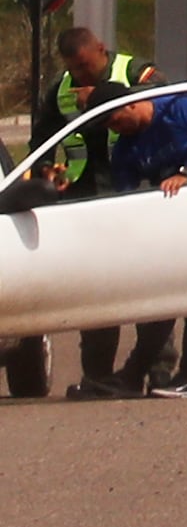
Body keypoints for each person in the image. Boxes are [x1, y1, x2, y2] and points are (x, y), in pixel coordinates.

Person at [8, 30, 137, 400]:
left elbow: (156, 113)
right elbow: (42, 139)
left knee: (146, 285)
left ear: (100, 49)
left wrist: (97, 97)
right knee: (95, 291)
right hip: (84, 202)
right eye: (74, 68)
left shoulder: (136, 73)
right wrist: (47, 169)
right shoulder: (61, 89)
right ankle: (98, 377)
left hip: (132, 194)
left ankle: (155, 370)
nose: (81, 75)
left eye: (86, 65)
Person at [95, 68, 187, 399]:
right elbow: (125, 196)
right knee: (164, 300)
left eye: (115, 120)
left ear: (131, 105)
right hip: (168, 227)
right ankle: (134, 374)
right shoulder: (126, 149)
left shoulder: (180, 109)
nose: (115, 129)